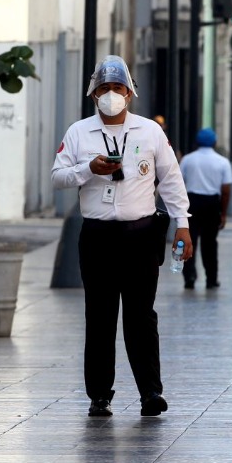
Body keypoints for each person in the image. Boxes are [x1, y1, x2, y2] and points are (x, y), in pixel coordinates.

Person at [52, 55, 193, 417]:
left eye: (118, 88)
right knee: (100, 316)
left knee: (141, 316)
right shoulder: (78, 132)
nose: (111, 95)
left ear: (129, 94)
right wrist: (89, 168)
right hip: (98, 237)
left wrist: (183, 225)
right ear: (93, 95)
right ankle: (99, 396)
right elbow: (58, 176)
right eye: (104, 89)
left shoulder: (149, 131)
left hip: (141, 235)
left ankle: (150, 393)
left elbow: (171, 179)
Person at [178, 128, 232, 290]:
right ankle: (211, 279)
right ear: (215, 143)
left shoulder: (187, 159)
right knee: (210, 244)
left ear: (197, 142)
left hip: (192, 202)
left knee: (189, 242)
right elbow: (226, 190)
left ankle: (189, 277)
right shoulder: (223, 162)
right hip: (212, 204)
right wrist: (223, 213)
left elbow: (179, 183)